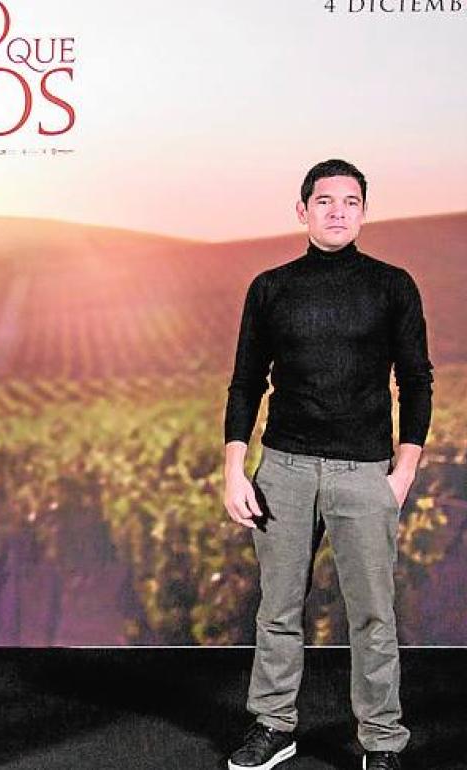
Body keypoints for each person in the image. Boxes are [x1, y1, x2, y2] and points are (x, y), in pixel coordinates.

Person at [222, 159, 433, 770]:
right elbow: (244, 385)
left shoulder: (393, 286)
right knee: (278, 609)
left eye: (349, 201)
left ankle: (382, 742)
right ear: (302, 211)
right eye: (324, 200)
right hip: (282, 469)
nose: (337, 210)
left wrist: (402, 475)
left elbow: (416, 382)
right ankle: (273, 725)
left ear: (364, 211)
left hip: (365, 474)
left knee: (372, 615)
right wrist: (237, 468)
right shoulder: (270, 287)